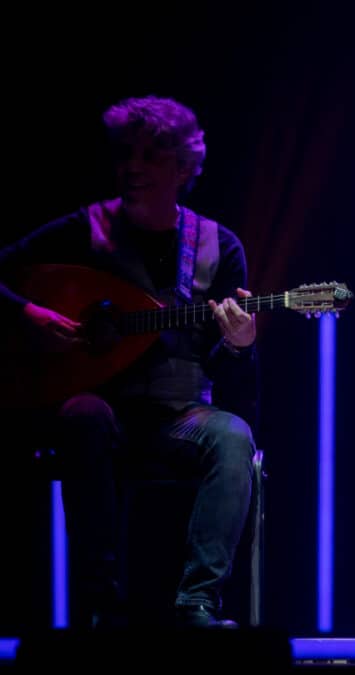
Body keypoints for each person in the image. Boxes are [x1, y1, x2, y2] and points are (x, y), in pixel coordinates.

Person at [0, 96, 259, 629]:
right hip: (104, 407)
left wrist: (239, 342)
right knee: (82, 416)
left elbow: (235, 379)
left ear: (185, 166)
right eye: (126, 155)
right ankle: (101, 604)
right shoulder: (86, 229)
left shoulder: (217, 245)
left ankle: (198, 602)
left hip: (180, 415)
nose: (133, 167)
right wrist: (28, 314)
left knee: (233, 435)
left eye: (152, 156)